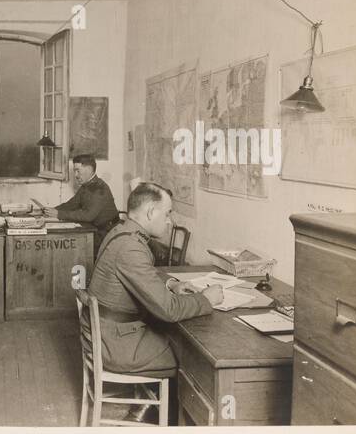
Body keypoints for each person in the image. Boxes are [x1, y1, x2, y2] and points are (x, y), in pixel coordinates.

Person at [87, 182, 223, 420]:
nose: (170, 220)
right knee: (192, 359)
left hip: (107, 334)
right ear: (151, 212)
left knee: (173, 336)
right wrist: (206, 299)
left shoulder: (121, 232)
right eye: (168, 212)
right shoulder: (131, 247)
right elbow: (169, 309)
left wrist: (170, 284)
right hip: (116, 345)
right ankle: (159, 415)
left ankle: (149, 402)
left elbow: (143, 275)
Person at [38, 154, 120, 253]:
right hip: (95, 229)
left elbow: (88, 215)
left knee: (74, 250)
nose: (76, 175)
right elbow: (71, 204)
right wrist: (50, 211)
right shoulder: (87, 185)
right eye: (74, 171)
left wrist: (59, 214)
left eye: (78, 171)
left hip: (107, 233)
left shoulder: (100, 188)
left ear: (89, 169)